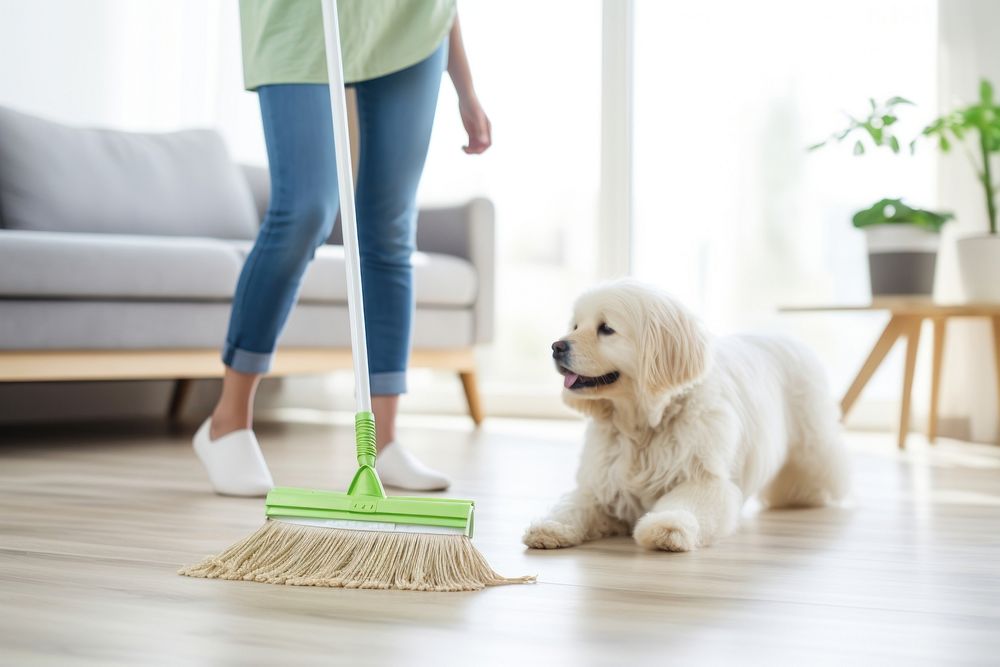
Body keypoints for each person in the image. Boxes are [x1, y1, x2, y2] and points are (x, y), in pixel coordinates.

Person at [192, 0, 491, 497]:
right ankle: (228, 420)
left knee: (391, 229)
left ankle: (385, 440)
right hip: (299, 17)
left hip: (409, 24)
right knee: (306, 209)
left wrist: (466, 87)